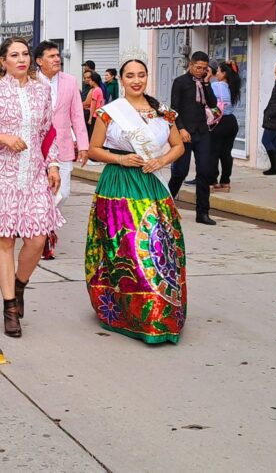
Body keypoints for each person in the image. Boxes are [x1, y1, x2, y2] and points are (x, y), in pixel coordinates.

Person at [0, 39, 64, 338]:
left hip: (33, 176)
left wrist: (53, 165)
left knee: (37, 240)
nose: (21, 59)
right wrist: (1, 137)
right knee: (4, 240)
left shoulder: (42, 90)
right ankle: (9, 306)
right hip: (1, 176)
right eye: (13, 55)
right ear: (2, 61)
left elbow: (47, 133)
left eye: (25, 54)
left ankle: (19, 286)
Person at [85, 55, 187, 344]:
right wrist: (120, 158)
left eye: (141, 74)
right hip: (118, 184)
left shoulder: (163, 112)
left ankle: (161, 313)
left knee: (158, 247)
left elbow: (178, 145)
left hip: (152, 184)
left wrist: (162, 160)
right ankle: (127, 311)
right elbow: (93, 150)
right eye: (130, 75)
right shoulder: (110, 112)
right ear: (121, 79)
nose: (136, 80)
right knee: (124, 250)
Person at [34, 41, 88, 258]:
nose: (57, 59)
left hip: (64, 144)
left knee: (62, 193)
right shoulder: (29, 81)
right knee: (41, 192)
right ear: (39, 61)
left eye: (58, 55)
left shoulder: (70, 81)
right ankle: (44, 236)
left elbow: (77, 114)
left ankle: (46, 225)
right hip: (36, 147)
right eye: (51, 56)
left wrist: (83, 145)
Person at [167, 51, 220, 225]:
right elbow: (174, 109)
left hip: (202, 132)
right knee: (180, 172)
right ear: (191, 65)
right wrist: (180, 129)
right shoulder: (180, 82)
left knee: (205, 171)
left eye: (204, 69)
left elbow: (212, 104)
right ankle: (165, 205)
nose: (201, 71)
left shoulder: (205, 83)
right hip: (185, 132)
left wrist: (206, 84)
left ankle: (202, 212)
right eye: (198, 68)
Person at [209, 61, 243, 193]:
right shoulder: (233, 87)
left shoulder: (216, 85)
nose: (216, 74)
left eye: (217, 71)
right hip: (231, 121)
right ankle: (225, 181)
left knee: (213, 152)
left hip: (218, 121)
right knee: (226, 153)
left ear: (223, 74)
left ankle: (212, 181)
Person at [82, 70, 105, 140]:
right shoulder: (100, 89)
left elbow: (93, 105)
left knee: (91, 134)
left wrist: (90, 118)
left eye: (90, 80)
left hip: (94, 115)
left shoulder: (95, 90)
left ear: (93, 81)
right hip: (99, 114)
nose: (89, 81)